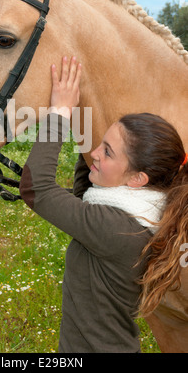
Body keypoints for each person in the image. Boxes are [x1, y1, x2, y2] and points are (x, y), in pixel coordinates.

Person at [19, 56, 188, 353]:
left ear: (137, 178)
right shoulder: (141, 213)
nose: (95, 152)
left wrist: (59, 112)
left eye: (107, 152)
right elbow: (87, 186)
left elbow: (38, 190)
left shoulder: (117, 230)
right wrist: (84, 107)